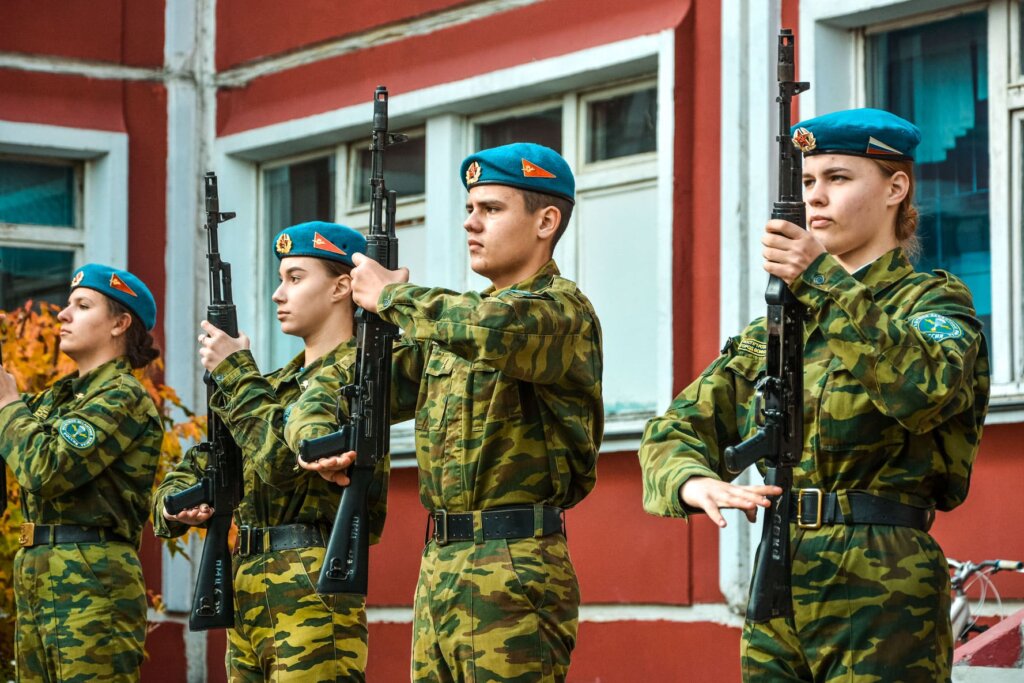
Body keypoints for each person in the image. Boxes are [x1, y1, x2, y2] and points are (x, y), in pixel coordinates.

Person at [639, 108, 990, 682]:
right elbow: (675, 427)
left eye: (838, 178)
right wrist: (689, 478)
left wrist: (822, 279)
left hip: (883, 581)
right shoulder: (778, 331)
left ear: (895, 188)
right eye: (807, 182)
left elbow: (923, 390)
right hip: (779, 573)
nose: (816, 199)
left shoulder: (932, 303)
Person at [290, 142, 604, 681]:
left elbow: (491, 330)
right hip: (439, 565)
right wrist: (315, 436)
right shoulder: (448, 331)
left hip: (515, 565)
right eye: (468, 209)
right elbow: (339, 384)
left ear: (546, 220)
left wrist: (393, 297)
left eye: (491, 209)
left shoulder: (559, 312)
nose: (471, 224)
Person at [152, 221, 385, 682]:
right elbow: (208, 459)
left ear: (342, 287)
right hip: (247, 584)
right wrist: (175, 506)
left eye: (295, 278)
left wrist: (236, 372)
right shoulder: (275, 385)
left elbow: (281, 462)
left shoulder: (359, 379)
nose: (279, 294)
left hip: (310, 581)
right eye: (280, 279)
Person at [0, 264, 162, 681]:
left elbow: (45, 468)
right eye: (68, 303)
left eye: (82, 305)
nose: (62, 315)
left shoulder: (122, 396)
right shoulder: (59, 398)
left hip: (91, 580)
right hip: (38, 572)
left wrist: (7, 405)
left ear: (120, 323)